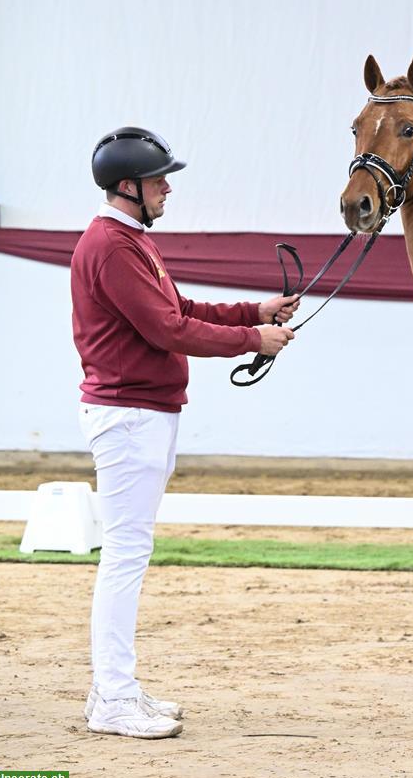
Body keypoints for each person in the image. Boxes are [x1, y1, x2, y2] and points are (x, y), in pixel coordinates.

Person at [72, 126, 298, 739]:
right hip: (129, 416)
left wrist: (253, 312)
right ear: (128, 187)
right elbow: (167, 330)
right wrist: (252, 341)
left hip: (146, 412)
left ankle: (114, 690)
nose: (167, 187)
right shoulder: (112, 247)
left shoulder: (130, 241)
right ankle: (113, 697)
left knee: (129, 554)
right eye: (157, 180)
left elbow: (178, 308)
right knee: (124, 555)